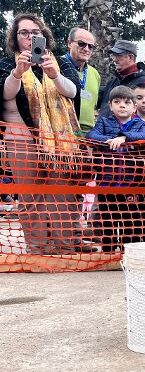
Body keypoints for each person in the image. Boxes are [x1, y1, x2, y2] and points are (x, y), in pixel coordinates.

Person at [0, 13, 89, 255]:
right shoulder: (7, 62)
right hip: (21, 137)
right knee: (31, 195)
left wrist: (54, 74)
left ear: (44, 36)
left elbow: (73, 92)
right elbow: (5, 94)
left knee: (61, 193)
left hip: (57, 141)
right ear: (15, 38)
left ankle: (66, 246)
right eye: (24, 33)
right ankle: (39, 248)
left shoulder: (59, 62)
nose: (30, 37)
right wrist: (17, 73)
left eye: (35, 33)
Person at [87, 86, 145, 251]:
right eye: (117, 102)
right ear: (110, 105)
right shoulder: (104, 122)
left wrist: (124, 138)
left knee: (130, 220)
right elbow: (92, 136)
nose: (122, 105)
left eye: (127, 102)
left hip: (131, 184)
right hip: (107, 183)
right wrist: (111, 139)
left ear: (134, 107)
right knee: (108, 219)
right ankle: (108, 251)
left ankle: (127, 251)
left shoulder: (139, 124)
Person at [97, 40, 145, 118]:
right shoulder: (113, 81)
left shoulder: (144, 82)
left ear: (130, 57)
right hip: (102, 129)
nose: (114, 59)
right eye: (114, 56)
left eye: (118, 55)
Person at [65, 27, 101, 133]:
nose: (86, 49)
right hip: (63, 131)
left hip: (88, 134)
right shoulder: (56, 66)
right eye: (81, 44)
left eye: (91, 46)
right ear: (69, 43)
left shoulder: (95, 74)